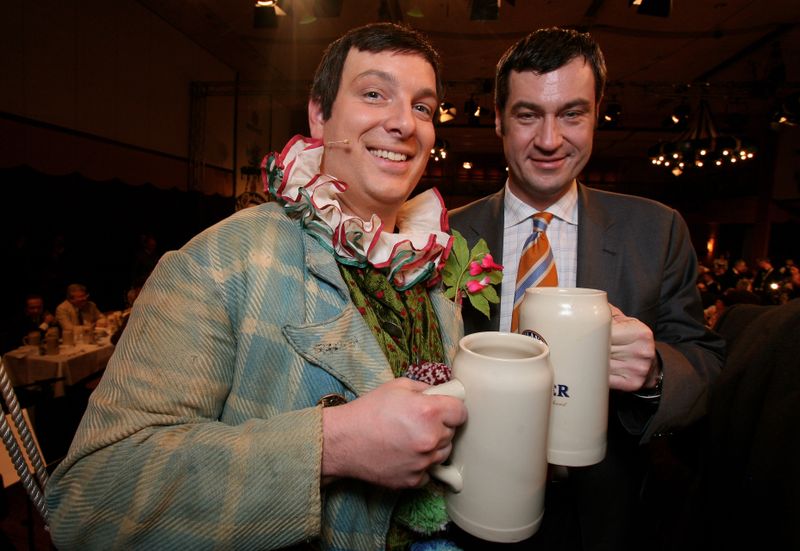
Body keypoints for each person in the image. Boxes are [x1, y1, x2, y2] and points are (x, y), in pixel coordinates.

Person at [45, 23, 467, 550]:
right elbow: (90, 501)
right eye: (374, 94)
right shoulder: (220, 261)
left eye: (423, 107)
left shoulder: (433, 280)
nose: (405, 122)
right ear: (320, 114)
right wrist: (330, 446)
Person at [449, 28, 725, 550]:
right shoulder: (442, 234)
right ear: (499, 119)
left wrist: (656, 370)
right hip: (470, 506)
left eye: (572, 114)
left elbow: (708, 366)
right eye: (528, 115)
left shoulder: (656, 230)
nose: (550, 140)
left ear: (597, 112)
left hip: (602, 516)